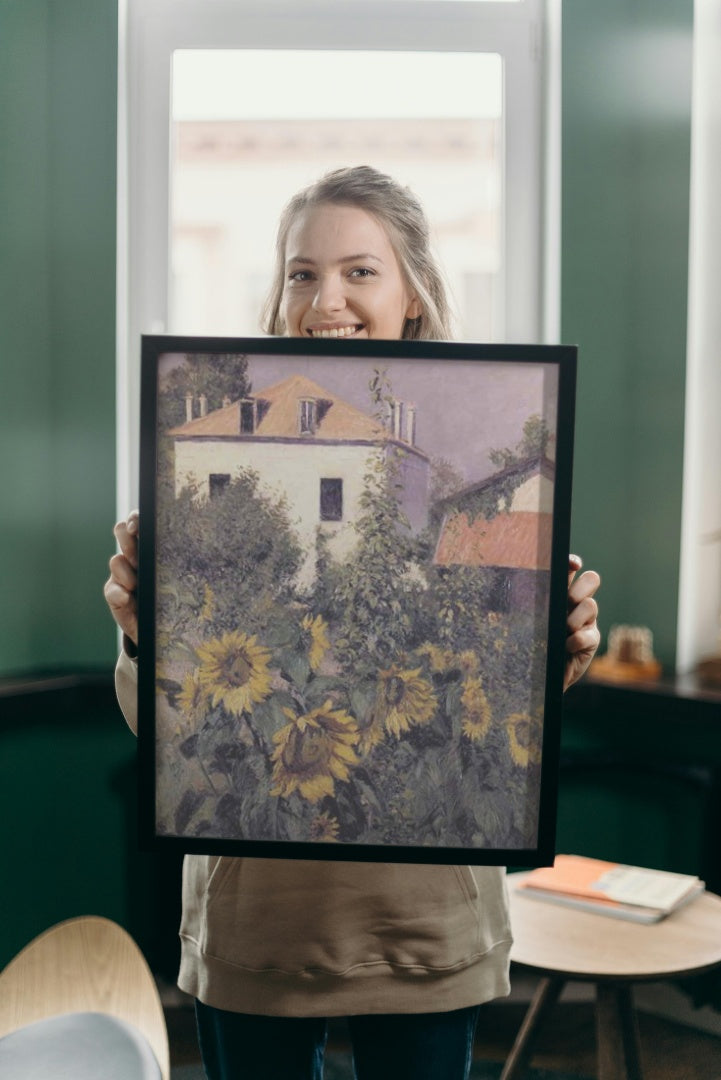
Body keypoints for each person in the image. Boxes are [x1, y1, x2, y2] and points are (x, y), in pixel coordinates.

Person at [105, 166, 601, 1080]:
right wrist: (145, 635)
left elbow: (494, 721)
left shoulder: (466, 463)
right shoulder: (207, 450)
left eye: (358, 271)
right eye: (301, 272)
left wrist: (554, 654)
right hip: (258, 923)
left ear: (412, 292)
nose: (323, 298)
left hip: (423, 923)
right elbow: (171, 730)